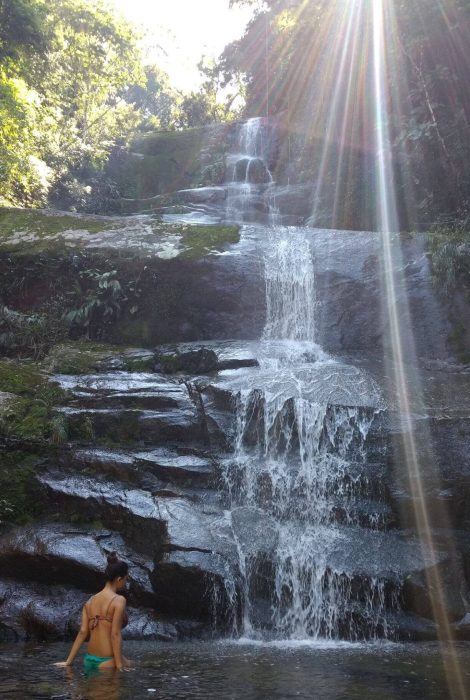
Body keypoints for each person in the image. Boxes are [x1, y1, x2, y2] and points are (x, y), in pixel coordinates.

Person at [54, 551, 131, 673]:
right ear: (119, 579)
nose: (126, 582)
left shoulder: (89, 602)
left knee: (129, 663)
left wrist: (68, 662)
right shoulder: (119, 600)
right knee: (126, 669)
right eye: (126, 578)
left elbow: (83, 632)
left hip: (89, 659)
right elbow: (115, 634)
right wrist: (119, 666)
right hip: (107, 661)